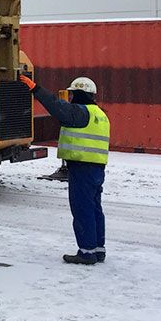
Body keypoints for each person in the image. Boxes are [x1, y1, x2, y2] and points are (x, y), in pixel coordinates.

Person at [21, 73, 109, 264]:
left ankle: (86, 253)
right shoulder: (100, 114)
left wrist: (35, 89)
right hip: (97, 168)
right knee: (94, 209)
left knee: (82, 209)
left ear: (79, 94)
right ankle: (98, 249)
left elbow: (56, 107)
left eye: (73, 94)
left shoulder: (80, 113)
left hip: (82, 168)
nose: (70, 98)